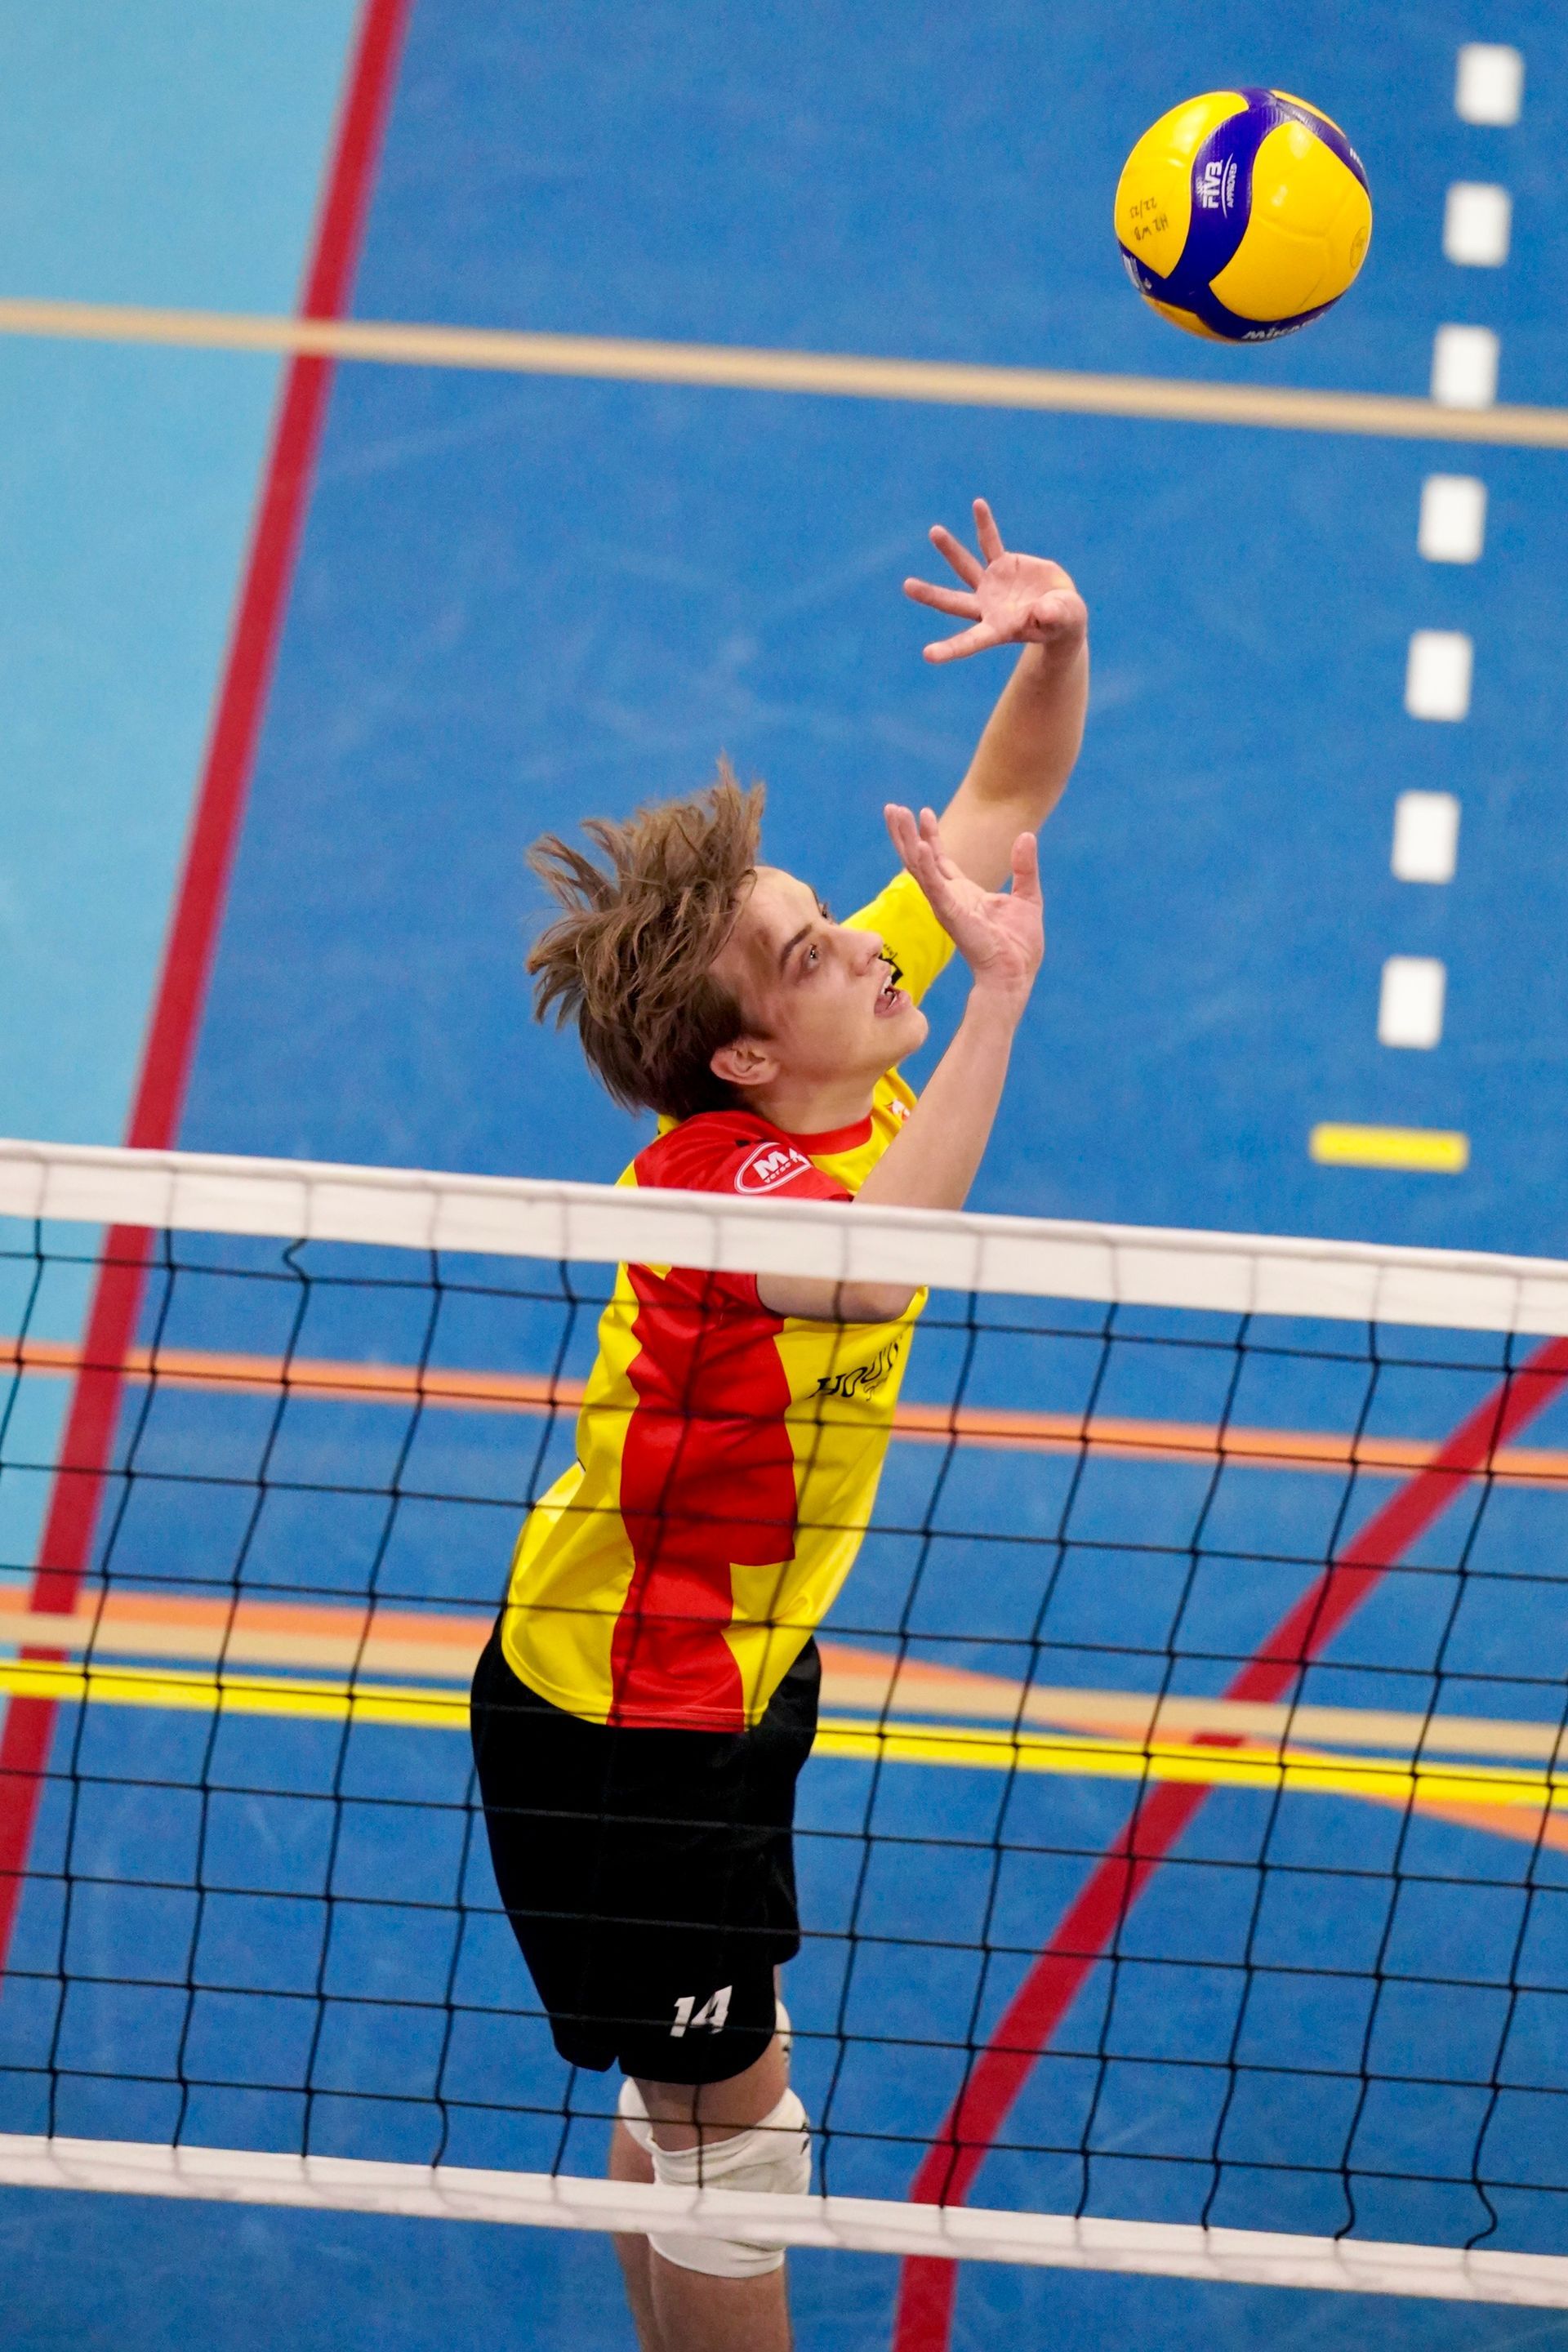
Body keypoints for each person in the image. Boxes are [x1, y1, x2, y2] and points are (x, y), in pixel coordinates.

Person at [470, 500, 1089, 2352]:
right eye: (815, 950)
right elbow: (874, 1276)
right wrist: (998, 1001)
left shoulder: (825, 1052)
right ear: (745, 1057)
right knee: (739, 2140)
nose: (865, 949)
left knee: (699, 2112)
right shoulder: (723, 1191)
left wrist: (1054, 646)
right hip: (626, 1732)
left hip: (732, 1675)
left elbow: (999, 802)